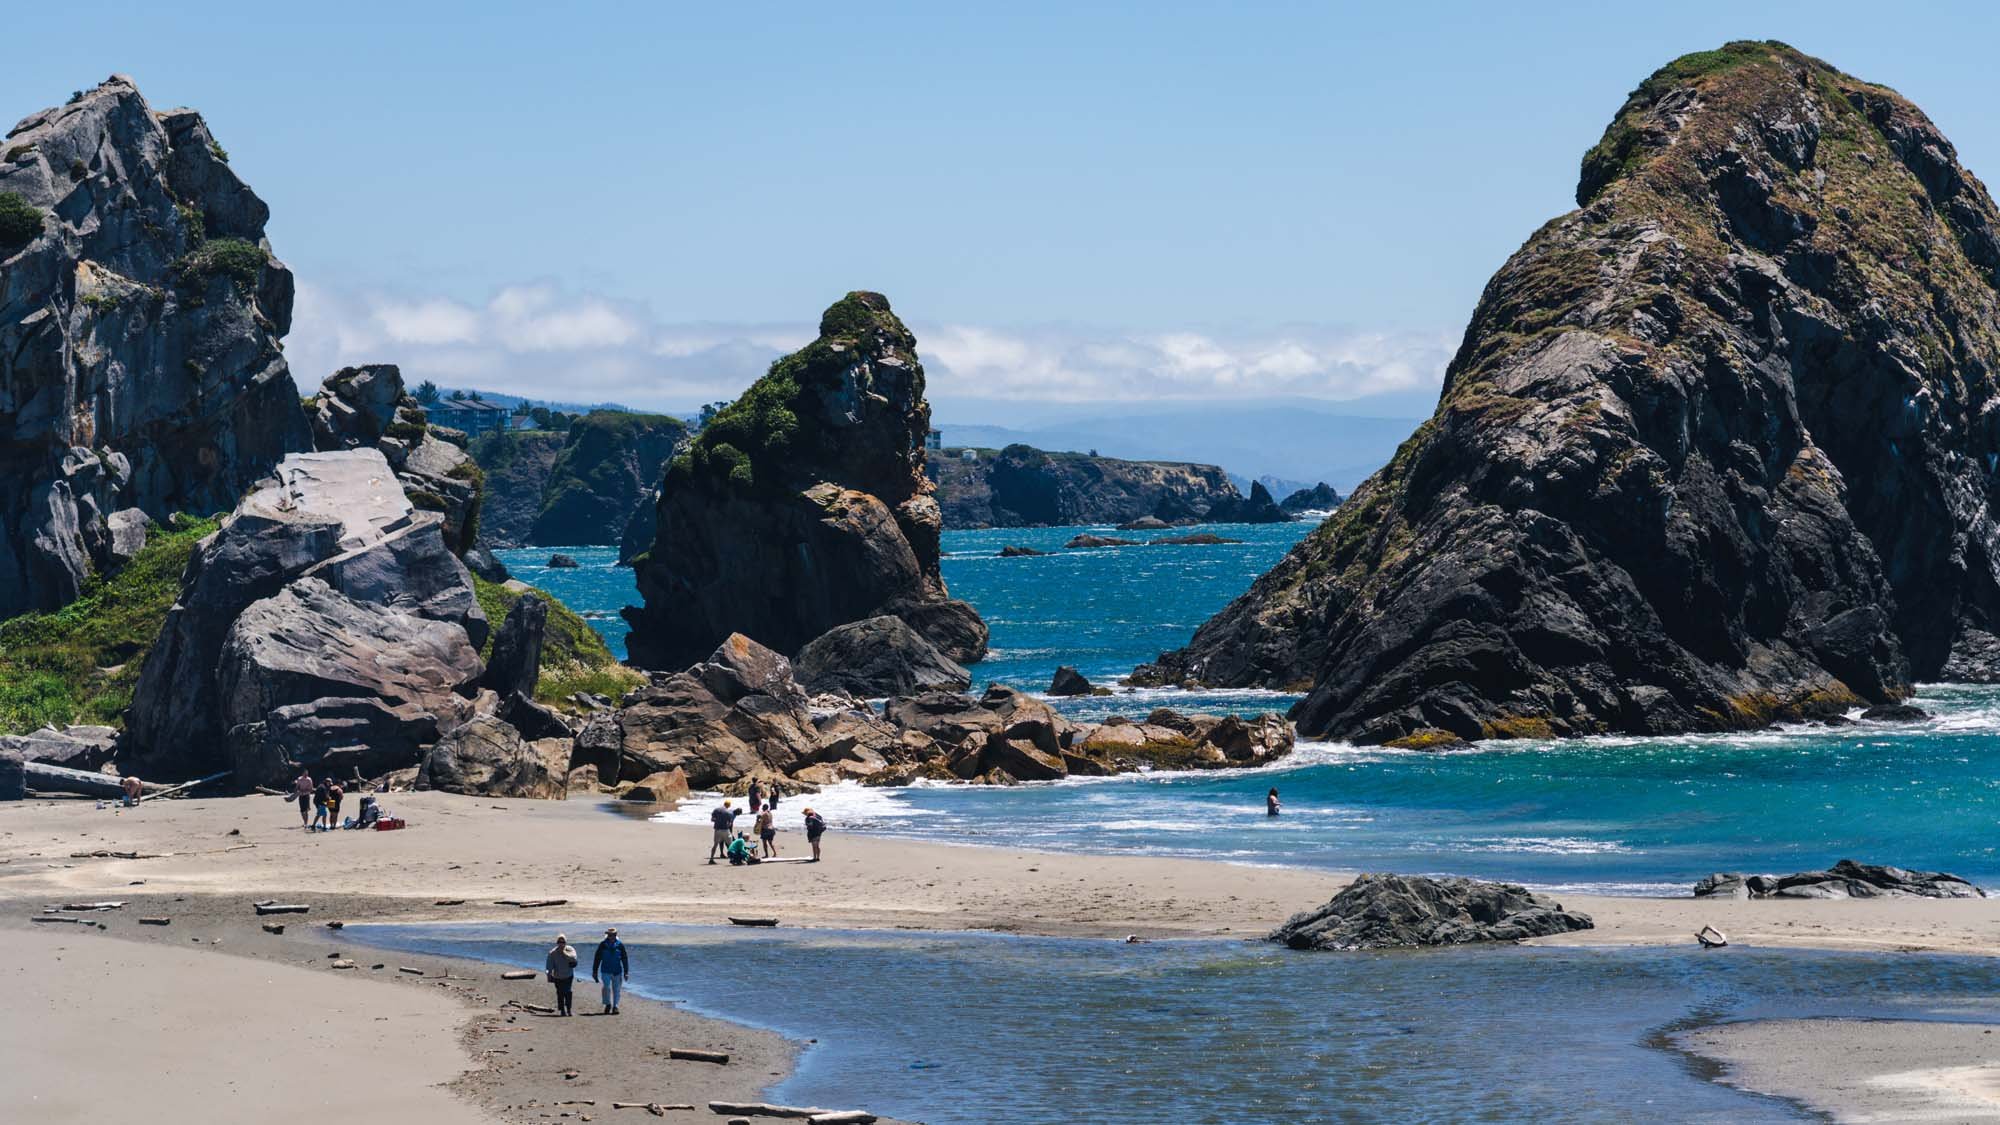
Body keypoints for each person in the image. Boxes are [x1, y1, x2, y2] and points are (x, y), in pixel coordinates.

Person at [591, 927, 630, 1014]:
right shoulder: (603, 945)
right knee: (606, 988)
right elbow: (597, 958)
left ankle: (615, 1006)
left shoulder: (620, 945)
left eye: (613, 935)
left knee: (616, 989)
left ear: (616, 935)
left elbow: (624, 958)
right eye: (610, 935)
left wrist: (626, 972)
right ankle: (608, 1004)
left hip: (617, 971)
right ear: (607, 935)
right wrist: (594, 971)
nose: (612, 936)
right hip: (605, 971)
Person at [545, 934, 578, 1016]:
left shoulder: (570, 949)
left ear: (565, 942)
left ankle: (569, 1010)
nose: (561, 944)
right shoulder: (552, 953)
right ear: (557, 943)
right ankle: (562, 1010)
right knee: (560, 993)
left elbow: (574, 959)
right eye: (559, 942)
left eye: (563, 942)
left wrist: (564, 953)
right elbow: (548, 966)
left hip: (568, 975)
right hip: (558, 976)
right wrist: (549, 975)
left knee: (568, 992)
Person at [707, 799, 740, 865]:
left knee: (715, 845)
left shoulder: (716, 810)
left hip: (717, 830)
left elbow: (712, 819)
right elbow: (729, 824)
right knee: (731, 845)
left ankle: (711, 859)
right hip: (725, 830)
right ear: (729, 805)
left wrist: (718, 821)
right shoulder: (728, 813)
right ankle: (734, 859)